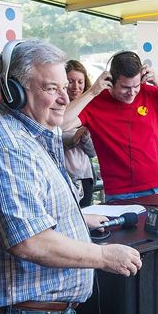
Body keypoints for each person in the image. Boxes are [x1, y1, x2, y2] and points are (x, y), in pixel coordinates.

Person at [0, 39, 142, 314]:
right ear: (14, 91)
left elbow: (25, 208)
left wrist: (78, 217)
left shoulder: (30, 133)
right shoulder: (7, 148)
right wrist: (104, 256)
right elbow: (30, 241)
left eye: (65, 87)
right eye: (50, 88)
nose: (64, 97)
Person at [62, 51, 158, 202]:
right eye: (125, 87)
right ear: (110, 81)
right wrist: (92, 91)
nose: (132, 93)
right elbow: (61, 124)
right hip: (120, 192)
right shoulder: (94, 102)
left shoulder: (147, 92)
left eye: (136, 86)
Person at [62, 60, 97, 207]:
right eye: (71, 81)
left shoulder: (90, 107)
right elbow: (51, 136)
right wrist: (73, 137)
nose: (76, 87)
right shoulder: (55, 106)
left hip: (84, 176)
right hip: (63, 175)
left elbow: (92, 152)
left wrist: (85, 137)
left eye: (80, 82)